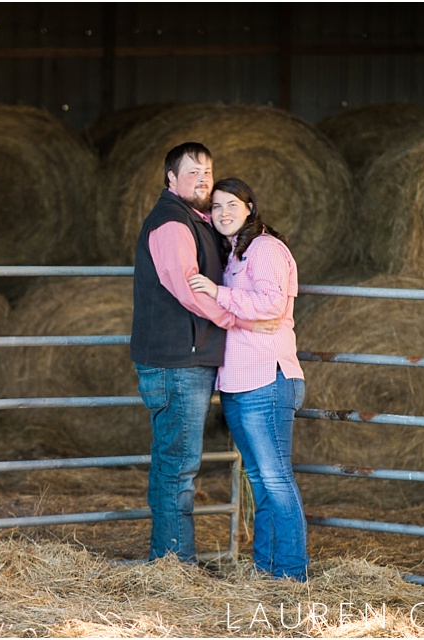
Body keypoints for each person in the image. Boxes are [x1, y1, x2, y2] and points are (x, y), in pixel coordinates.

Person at [130, 143, 276, 563]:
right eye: (192, 173)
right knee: (177, 466)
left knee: (177, 463)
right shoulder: (173, 223)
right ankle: (174, 564)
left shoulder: (199, 221)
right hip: (177, 360)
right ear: (171, 180)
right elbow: (187, 286)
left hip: (189, 356)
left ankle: (171, 559)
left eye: (208, 173)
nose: (202, 181)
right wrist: (236, 318)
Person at [188, 176, 308, 581]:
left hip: (267, 379)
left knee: (275, 479)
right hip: (239, 383)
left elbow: (273, 304)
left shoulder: (266, 248)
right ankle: (265, 569)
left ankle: (291, 573)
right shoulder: (234, 255)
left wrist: (219, 294)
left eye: (231, 205)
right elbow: (250, 312)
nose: (223, 213)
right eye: (216, 207)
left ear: (250, 208)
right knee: (259, 479)